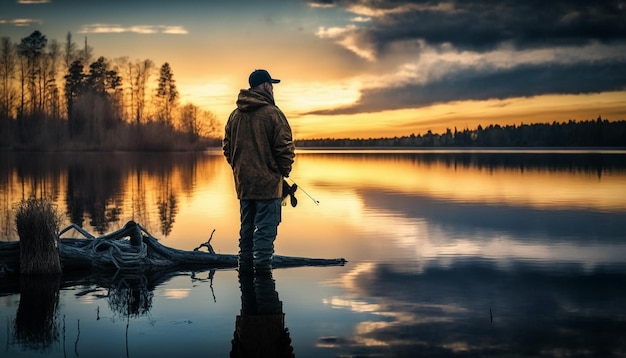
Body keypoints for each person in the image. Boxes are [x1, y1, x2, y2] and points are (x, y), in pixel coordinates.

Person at [223, 69, 295, 271]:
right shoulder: (273, 114)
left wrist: (240, 170)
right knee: (265, 233)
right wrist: (282, 172)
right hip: (268, 186)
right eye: (271, 85)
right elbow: (285, 149)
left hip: (244, 186)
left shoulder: (234, 116)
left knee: (246, 233)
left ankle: (245, 279)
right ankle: (263, 281)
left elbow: (227, 149)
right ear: (265, 86)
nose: (272, 89)